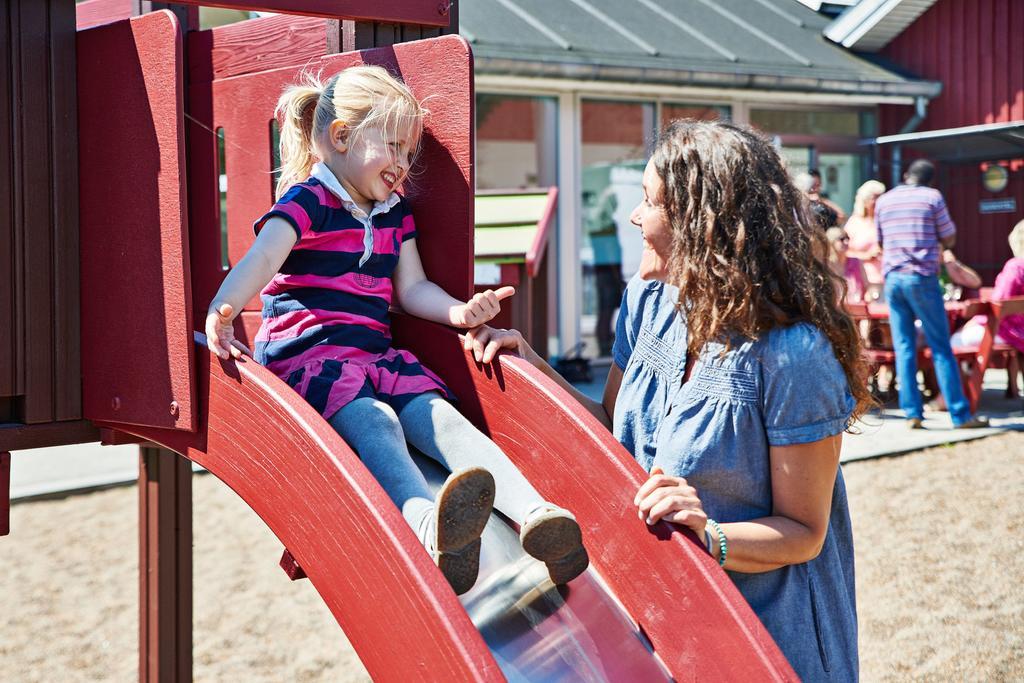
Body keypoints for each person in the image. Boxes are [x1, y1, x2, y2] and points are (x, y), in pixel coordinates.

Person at [469, 120, 869, 681]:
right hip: (661, 619)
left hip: (770, 634)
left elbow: (804, 532)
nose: (633, 217)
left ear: (703, 224)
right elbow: (610, 426)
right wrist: (530, 362)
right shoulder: (647, 304)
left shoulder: (793, 354)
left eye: (648, 202)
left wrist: (711, 535)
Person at [204, 66, 588, 595]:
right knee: (376, 422)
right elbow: (265, 255)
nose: (404, 164)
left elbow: (412, 290)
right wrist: (225, 306)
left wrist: (459, 313)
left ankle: (536, 515)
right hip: (311, 361)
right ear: (341, 137)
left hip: (375, 357)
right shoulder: (309, 199)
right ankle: (429, 528)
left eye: (409, 152)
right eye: (393, 145)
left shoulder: (394, 213)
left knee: (441, 419)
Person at [875, 158, 989, 429]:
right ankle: (960, 415)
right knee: (940, 346)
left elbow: (880, 240)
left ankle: (912, 413)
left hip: (893, 278)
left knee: (904, 347)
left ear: (905, 175)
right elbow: (948, 235)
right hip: (922, 278)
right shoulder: (931, 197)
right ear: (930, 179)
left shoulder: (885, 200)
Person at [949, 219, 1024, 395]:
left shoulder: (1016, 266)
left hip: (1007, 331)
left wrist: (976, 321)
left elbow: (997, 304)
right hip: (1019, 332)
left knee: (951, 344)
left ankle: (958, 396)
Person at [843, 180, 886, 301]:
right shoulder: (855, 223)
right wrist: (866, 255)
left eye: (880, 197)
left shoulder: (885, 221)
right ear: (865, 200)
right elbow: (843, 252)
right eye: (874, 198)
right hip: (861, 279)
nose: (878, 201)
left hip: (885, 278)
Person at [825, 227, 867, 303]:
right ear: (831, 242)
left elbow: (867, 287)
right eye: (842, 239)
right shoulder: (826, 265)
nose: (846, 242)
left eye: (847, 238)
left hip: (857, 308)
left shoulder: (857, 262)